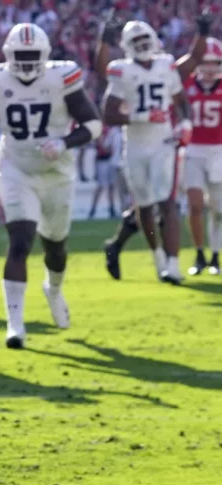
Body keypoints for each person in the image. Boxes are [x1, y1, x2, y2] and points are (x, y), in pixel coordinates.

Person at [0, 23, 102, 349]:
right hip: (16, 167)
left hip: (57, 171)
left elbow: (94, 124)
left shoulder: (62, 77)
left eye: (33, 56)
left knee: (55, 247)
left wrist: (65, 141)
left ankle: (53, 289)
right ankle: (15, 325)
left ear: (45, 55)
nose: (27, 62)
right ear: (8, 56)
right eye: (20, 55)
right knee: (20, 240)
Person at [97, 13, 210, 283]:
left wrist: (184, 123)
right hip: (135, 144)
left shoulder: (165, 65)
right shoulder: (122, 70)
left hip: (163, 143)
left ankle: (171, 264)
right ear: (126, 44)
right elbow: (109, 114)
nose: (141, 43)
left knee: (167, 203)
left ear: (154, 39)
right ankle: (158, 258)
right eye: (135, 40)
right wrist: (140, 117)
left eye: (145, 37)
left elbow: (182, 95)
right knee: (145, 207)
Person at [182, 37, 222, 276]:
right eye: (205, 62)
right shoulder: (185, 84)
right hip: (193, 149)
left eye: (215, 63)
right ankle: (199, 253)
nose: (210, 68)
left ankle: (216, 255)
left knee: (218, 210)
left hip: (219, 151)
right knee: (195, 205)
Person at [90, 125, 122, 219]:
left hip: (111, 160)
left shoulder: (111, 128)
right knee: (101, 186)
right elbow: (102, 144)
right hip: (102, 159)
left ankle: (111, 209)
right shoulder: (102, 127)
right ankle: (93, 209)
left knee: (111, 186)